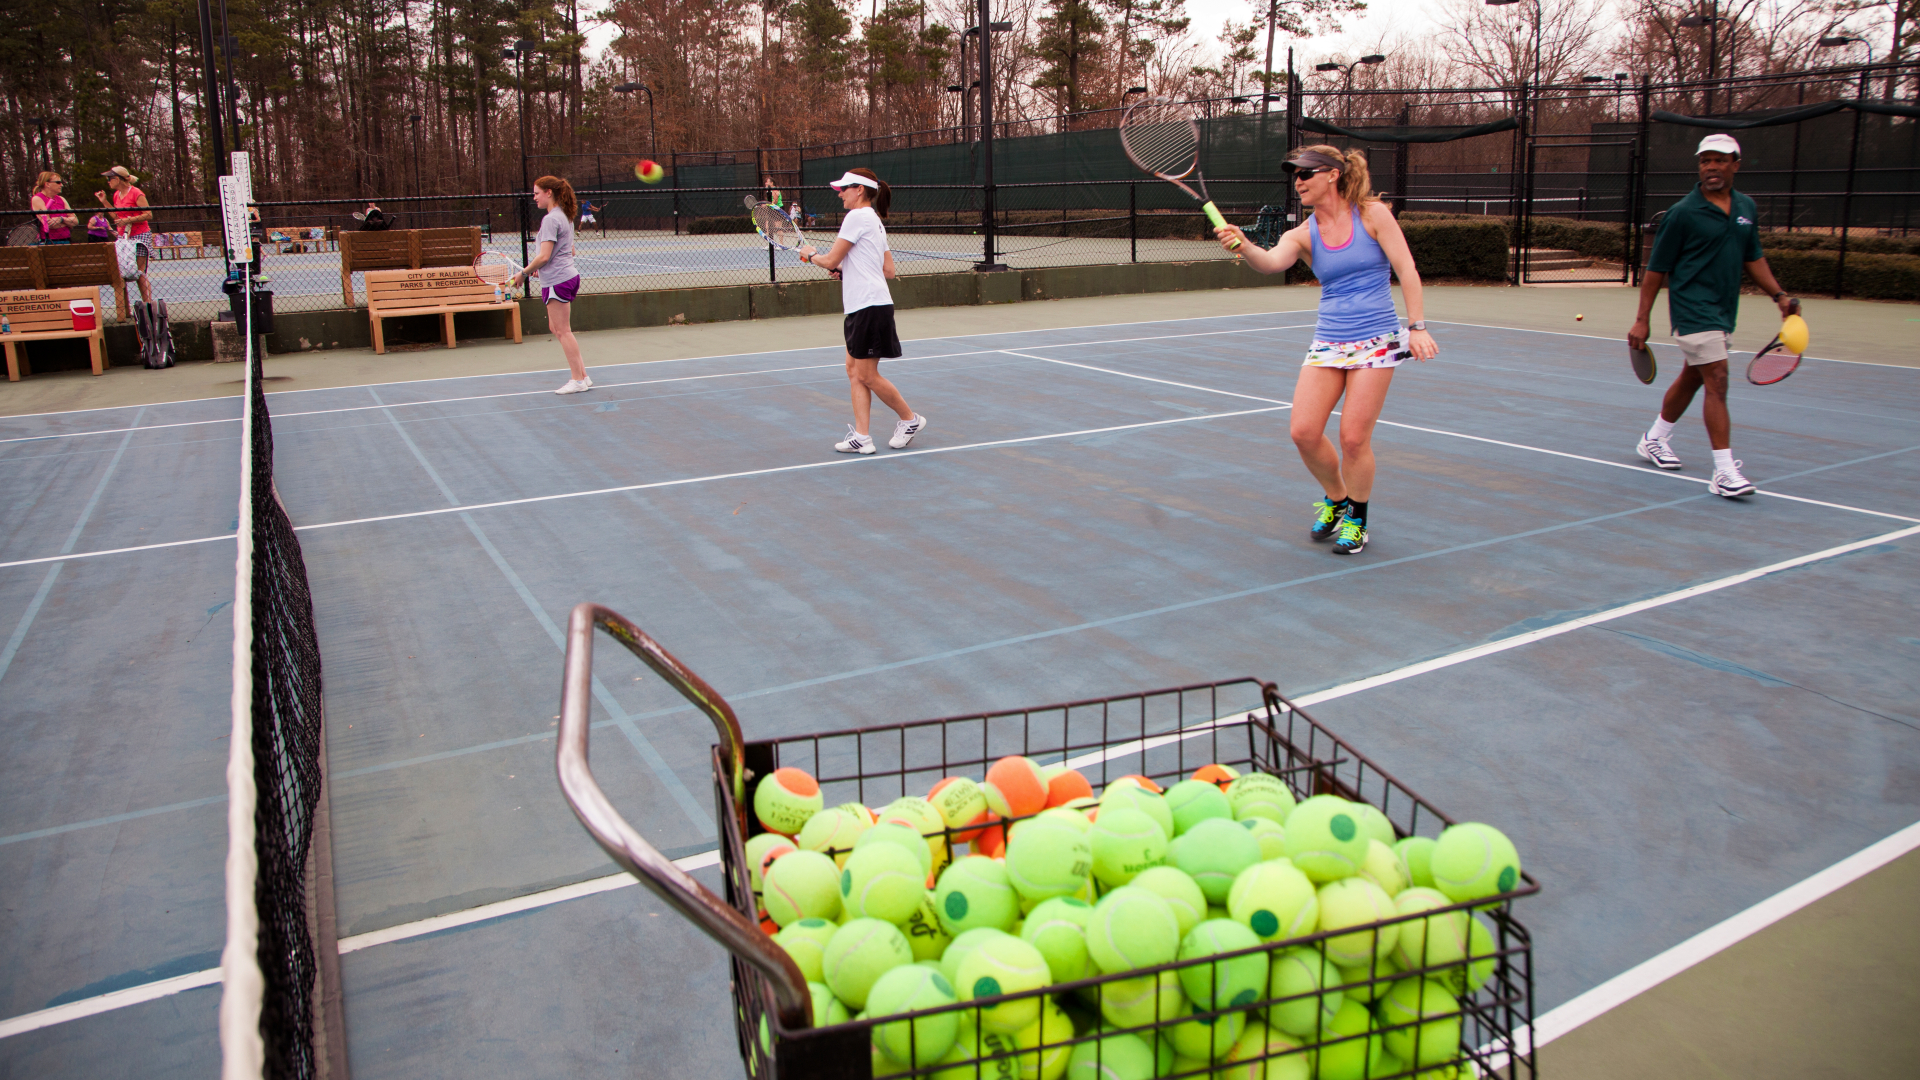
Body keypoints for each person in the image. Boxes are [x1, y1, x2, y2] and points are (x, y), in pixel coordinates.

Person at [1212, 145, 1437, 556]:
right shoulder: (1301, 233)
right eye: (1294, 176)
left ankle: (1358, 519)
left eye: (1305, 174)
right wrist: (1243, 244)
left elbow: (1407, 269)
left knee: (1353, 438)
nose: (1298, 182)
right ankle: (1337, 498)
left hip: (1376, 340)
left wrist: (1417, 326)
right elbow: (1270, 263)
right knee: (1303, 432)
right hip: (1329, 341)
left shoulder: (1373, 215)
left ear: (1332, 174)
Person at [1629, 133, 1795, 498]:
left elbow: (1753, 257)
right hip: (1692, 308)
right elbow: (1656, 270)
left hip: (1723, 310)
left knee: (1695, 376)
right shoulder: (1682, 213)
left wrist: (1779, 295)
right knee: (1717, 377)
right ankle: (1723, 471)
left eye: (1720, 160)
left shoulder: (1745, 208)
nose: (1711, 167)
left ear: (1736, 164)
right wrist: (1643, 318)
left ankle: (1654, 438)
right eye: (1705, 160)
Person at [797, 168, 926, 454]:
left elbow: (830, 257)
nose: (840, 194)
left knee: (867, 374)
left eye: (844, 189)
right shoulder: (875, 222)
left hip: (869, 305)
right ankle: (862, 436)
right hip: (865, 304)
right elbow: (888, 270)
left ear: (860, 190)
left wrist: (810, 255)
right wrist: (845, 270)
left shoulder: (856, 217)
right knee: (853, 370)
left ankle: (910, 419)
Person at [513, 175, 591, 395]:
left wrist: (524, 273)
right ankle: (583, 376)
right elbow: (569, 250)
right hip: (562, 276)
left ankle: (577, 380)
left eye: (537, 193)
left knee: (563, 330)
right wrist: (541, 268)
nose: (534, 197)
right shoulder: (564, 216)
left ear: (549, 192)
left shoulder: (551, 219)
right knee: (556, 329)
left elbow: (545, 256)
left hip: (559, 279)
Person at [95, 166, 154, 302]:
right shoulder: (116, 195)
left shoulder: (136, 193)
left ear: (118, 179)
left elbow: (148, 214)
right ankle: (124, 306)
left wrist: (128, 220)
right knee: (122, 271)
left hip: (140, 234)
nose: (108, 181)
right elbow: (116, 216)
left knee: (140, 272)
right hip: (124, 236)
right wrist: (104, 202)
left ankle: (148, 304)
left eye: (110, 178)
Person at [31, 172, 78, 244]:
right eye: (58, 182)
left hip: (67, 239)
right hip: (50, 241)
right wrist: (68, 223)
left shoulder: (61, 199)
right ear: (47, 184)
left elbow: (75, 221)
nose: (61, 185)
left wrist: (61, 219)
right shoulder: (37, 199)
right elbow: (50, 224)